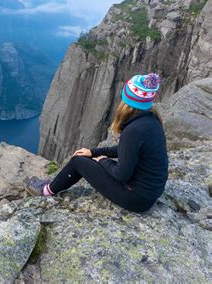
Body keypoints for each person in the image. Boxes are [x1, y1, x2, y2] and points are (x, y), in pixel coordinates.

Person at [25, 73, 168, 213]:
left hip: (135, 198)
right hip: (148, 194)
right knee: (84, 158)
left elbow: (121, 175)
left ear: (127, 102)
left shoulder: (133, 131)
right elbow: (124, 150)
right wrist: (94, 152)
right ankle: (52, 184)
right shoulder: (152, 121)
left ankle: (46, 191)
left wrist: (103, 161)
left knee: (77, 162)